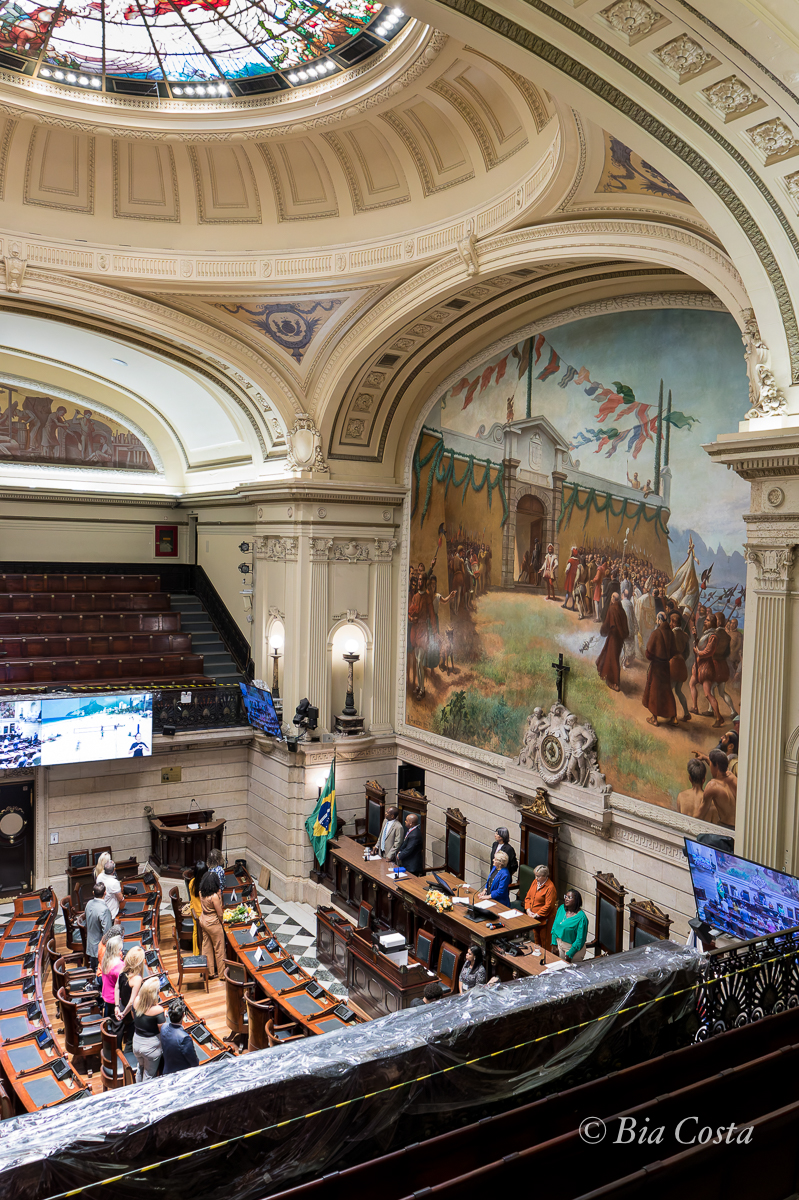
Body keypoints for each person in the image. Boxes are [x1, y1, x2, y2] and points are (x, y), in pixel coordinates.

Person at [642, 612, 677, 726]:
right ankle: (674, 717)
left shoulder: (656, 633)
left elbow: (648, 652)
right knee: (667, 691)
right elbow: (674, 651)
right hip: (666, 665)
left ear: (660, 620)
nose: (656, 621)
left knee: (655, 691)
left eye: (657, 619)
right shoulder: (671, 633)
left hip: (657, 666)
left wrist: (652, 657)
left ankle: (654, 719)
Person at [132, 976, 165, 1082]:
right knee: (149, 1076)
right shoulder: (158, 1010)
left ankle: (137, 1089)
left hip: (136, 1043)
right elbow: (162, 1031)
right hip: (151, 1047)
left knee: (140, 1068)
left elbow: (134, 1017)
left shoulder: (136, 1001)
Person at [115, 945, 146, 1050]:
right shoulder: (137, 979)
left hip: (122, 1006)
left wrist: (117, 1006)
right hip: (130, 1014)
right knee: (131, 1040)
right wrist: (123, 1014)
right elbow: (132, 1001)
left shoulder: (123, 970)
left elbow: (117, 988)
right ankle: (128, 1056)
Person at [596, 592, 628, 692]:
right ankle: (612, 680)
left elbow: (607, 624)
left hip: (614, 638)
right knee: (612, 656)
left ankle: (614, 682)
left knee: (612, 659)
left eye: (611, 597)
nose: (611, 599)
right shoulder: (621, 610)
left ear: (613, 598)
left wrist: (603, 631)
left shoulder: (612, 609)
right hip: (620, 639)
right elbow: (625, 626)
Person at [160, 998, 200, 1074]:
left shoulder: (163, 1027)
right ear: (183, 1015)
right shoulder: (184, 1038)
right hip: (181, 1075)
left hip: (167, 1071)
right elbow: (194, 1062)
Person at [199, 869, 226, 979]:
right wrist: (223, 923)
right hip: (213, 923)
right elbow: (219, 913)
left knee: (207, 946)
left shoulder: (201, 893)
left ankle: (209, 972)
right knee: (219, 948)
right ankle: (222, 974)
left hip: (204, 920)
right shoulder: (214, 896)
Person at [524, 864, 558, 949]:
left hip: (545, 921)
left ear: (545, 876)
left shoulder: (550, 887)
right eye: (535, 875)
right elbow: (528, 897)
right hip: (534, 919)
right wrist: (528, 910)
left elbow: (548, 906)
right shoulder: (535, 882)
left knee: (545, 943)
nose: (536, 878)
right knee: (536, 941)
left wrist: (536, 915)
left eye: (538, 876)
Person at [551, 890, 589, 963]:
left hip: (572, 949)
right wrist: (554, 944)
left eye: (569, 897)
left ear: (576, 900)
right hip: (559, 944)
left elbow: (580, 939)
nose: (566, 899)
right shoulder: (561, 908)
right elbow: (554, 927)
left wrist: (570, 954)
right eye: (566, 896)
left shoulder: (582, 918)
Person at [669, 611, 691, 722]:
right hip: (682, 664)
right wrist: (681, 658)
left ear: (673, 623)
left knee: (668, 691)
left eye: (671, 621)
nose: (670, 623)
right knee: (678, 691)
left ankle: (673, 716)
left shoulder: (671, 634)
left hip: (673, 664)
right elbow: (687, 653)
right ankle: (686, 713)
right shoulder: (685, 635)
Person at [84, 881, 112, 971]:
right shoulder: (104, 910)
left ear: (93, 893)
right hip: (99, 948)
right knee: (100, 972)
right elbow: (107, 932)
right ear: (105, 893)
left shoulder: (89, 903)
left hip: (90, 945)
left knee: (93, 968)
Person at [100, 935, 124, 1020]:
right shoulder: (119, 966)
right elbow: (123, 985)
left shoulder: (105, 960)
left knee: (108, 1019)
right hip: (115, 1000)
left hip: (106, 995)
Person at [187, 860, 206, 955]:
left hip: (194, 910)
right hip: (202, 912)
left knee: (195, 932)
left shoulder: (191, 882)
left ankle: (195, 953)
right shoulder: (205, 885)